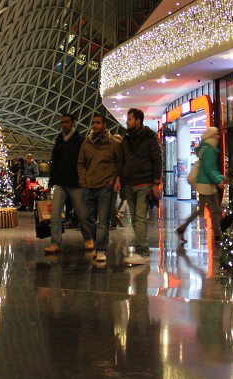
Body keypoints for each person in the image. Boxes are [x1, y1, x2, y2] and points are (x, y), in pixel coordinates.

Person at [118, 108, 162, 266]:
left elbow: (157, 159)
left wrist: (156, 183)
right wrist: (120, 178)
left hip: (144, 182)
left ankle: (142, 252)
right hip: (130, 183)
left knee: (141, 218)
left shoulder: (149, 137)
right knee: (136, 219)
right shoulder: (126, 138)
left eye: (129, 119)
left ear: (138, 121)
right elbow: (122, 160)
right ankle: (142, 251)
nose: (127, 121)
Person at [77, 113, 121, 263]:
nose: (95, 125)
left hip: (105, 187)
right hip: (88, 186)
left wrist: (113, 179)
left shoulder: (113, 143)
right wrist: (83, 180)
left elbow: (119, 163)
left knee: (103, 221)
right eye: (93, 123)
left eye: (98, 123)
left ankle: (101, 249)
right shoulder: (87, 142)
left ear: (104, 125)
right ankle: (99, 241)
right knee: (85, 218)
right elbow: (81, 162)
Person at [44, 113, 86, 254]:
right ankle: (55, 243)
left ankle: (89, 239)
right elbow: (55, 162)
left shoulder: (80, 141)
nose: (64, 125)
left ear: (73, 123)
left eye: (67, 122)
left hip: (76, 183)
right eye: (62, 122)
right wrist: (51, 183)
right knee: (55, 213)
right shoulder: (59, 140)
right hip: (61, 183)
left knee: (82, 214)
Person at [175, 127, 224, 245]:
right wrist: (219, 180)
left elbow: (209, 168)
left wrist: (220, 178)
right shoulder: (209, 150)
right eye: (216, 134)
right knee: (215, 210)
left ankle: (182, 228)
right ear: (211, 136)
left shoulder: (206, 148)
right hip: (207, 184)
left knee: (202, 210)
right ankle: (218, 235)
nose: (218, 136)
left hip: (203, 183)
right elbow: (209, 169)